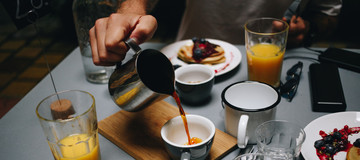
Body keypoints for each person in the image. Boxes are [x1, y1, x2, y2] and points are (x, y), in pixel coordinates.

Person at [89, 0, 342, 66]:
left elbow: (328, 13)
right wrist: (132, 8)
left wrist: (307, 30)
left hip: (277, 63)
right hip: (182, 61)